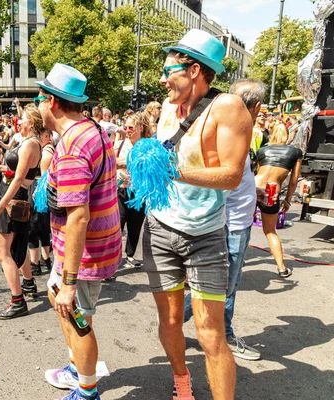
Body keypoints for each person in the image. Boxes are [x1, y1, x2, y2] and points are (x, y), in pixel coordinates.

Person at [144, 29, 252, 400]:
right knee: (171, 321)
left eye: (168, 70)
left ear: (193, 70)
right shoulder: (169, 110)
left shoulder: (228, 108)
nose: (162, 79)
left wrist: (170, 171)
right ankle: (182, 384)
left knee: (209, 333)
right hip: (160, 230)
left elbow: (232, 176)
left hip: (205, 236)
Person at [38, 64, 121, 400]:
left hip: (86, 251)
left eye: (39, 98)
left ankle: (87, 392)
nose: (38, 105)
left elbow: (78, 218)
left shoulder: (72, 146)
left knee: (75, 314)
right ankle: (77, 367)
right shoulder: (92, 129)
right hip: (90, 246)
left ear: (52, 103)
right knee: (54, 295)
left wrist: (70, 283)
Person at [183, 78, 268, 362]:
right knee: (226, 284)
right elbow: (222, 178)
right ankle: (221, 334)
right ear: (255, 107)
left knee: (224, 283)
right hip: (230, 222)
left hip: (234, 219)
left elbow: (233, 175)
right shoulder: (234, 127)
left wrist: (252, 187)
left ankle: (178, 318)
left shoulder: (229, 125)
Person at [0, 104, 43, 319]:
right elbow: (18, 173)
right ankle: (28, 283)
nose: (19, 121)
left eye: (23, 118)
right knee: (17, 245)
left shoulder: (31, 144)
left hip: (12, 198)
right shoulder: (26, 142)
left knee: (2, 253)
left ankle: (17, 301)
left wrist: (0, 206)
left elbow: (20, 179)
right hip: (12, 195)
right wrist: (0, 169)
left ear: (33, 123)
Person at [255, 123, 302, 278]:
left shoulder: (262, 150)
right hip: (271, 191)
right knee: (270, 231)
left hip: (253, 187)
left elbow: (257, 171)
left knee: (240, 227)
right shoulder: (295, 152)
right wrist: (287, 201)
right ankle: (282, 268)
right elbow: (294, 181)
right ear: (287, 135)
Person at [116, 112, 152, 268]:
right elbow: (113, 162)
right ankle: (114, 260)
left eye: (130, 127)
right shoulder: (120, 144)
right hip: (120, 190)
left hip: (139, 193)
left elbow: (150, 166)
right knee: (117, 225)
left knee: (135, 226)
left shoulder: (148, 146)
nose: (127, 130)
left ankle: (130, 255)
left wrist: (126, 163)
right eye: (125, 127)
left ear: (140, 128)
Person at [28, 128, 54, 275]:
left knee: (33, 228)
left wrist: (38, 192)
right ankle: (46, 260)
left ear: (46, 136)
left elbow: (44, 176)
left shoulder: (46, 152)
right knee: (43, 228)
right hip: (42, 191)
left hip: (38, 189)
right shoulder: (50, 149)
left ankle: (35, 263)